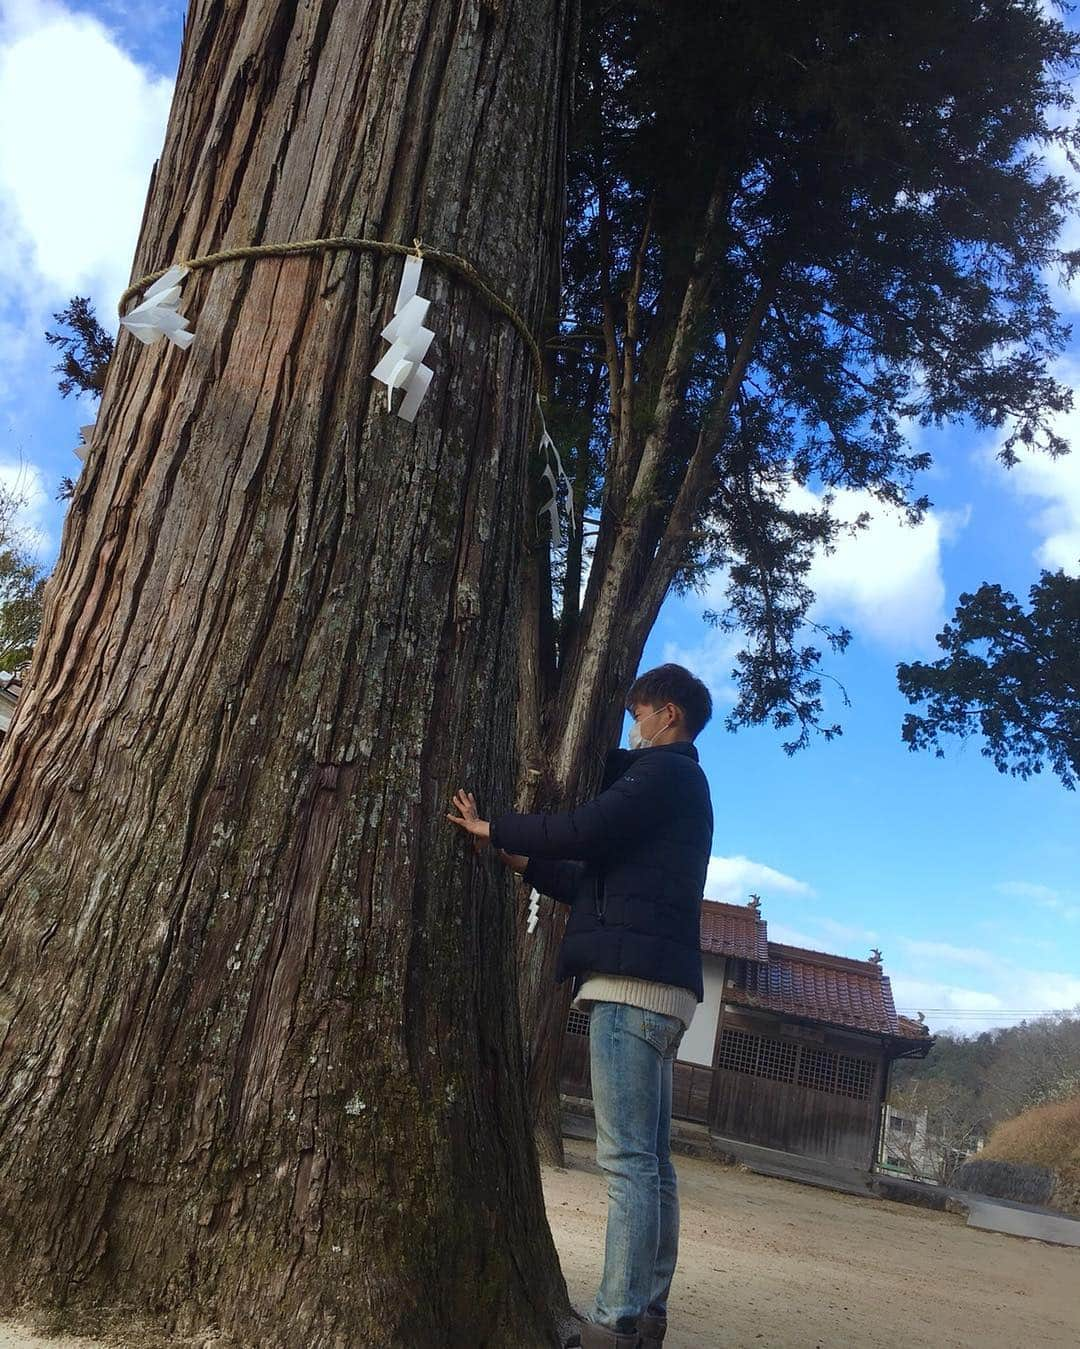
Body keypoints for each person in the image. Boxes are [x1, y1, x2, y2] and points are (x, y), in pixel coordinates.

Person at [447, 663, 714, 1349]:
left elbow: (581, 829)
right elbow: (594, 883)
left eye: (638, 714)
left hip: (629, 990)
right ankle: (647, 1311)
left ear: (669, 715)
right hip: (664, 990)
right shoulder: (679, 792)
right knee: (651, 1161)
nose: (632, 727)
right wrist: (517, 858)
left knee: (627, 1162)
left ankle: (618, 1320)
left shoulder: (663, 774)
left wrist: (494, 822)